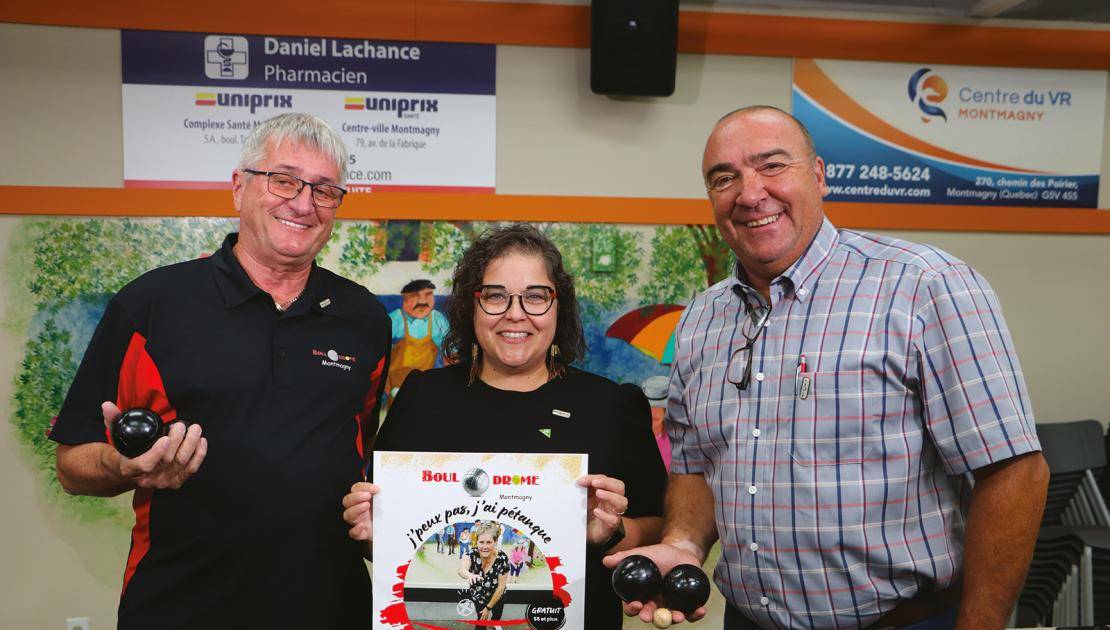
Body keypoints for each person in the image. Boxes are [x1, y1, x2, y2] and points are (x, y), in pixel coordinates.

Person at [606, 106, 1049, 629]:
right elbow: (696, 467)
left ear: (818, 175)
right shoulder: (704, 317)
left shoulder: (925, 286)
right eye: (725, 178)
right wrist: (682, 544)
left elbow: (1015, 471)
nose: (750, 194)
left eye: (772, 165)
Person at [49, 113, 391, 629]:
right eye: (283, 179)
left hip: (329, 605)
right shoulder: (152, 305)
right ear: (239, 188)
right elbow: (72, 463)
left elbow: (361, 453)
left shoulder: (363, 319)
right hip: (181, 605)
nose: (303, 203)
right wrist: (126, 466)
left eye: (324, 190)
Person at [342, 224, 667, 629]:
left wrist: (612, 532)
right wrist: (372, 530)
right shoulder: (422, 398)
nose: (516, 313)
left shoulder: (611, 406)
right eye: (496, 296)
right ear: (470, 306)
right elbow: (387, 538)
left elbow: (657, 530)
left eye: (536, 296)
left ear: (558, 306)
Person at [385, 278, 449, 406]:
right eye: (415, 296)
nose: (422, 301)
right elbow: (378, 354)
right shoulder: (394, 319)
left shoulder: (438, 319)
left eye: (428, 294)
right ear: (405, 299)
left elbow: (449, 354)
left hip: (427, 385)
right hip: (397, 386)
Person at [458, 521, 511, 621]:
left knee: (497, 615)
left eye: (489, 542)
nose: (485, 547)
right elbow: (461, 570)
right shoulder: (471, 554)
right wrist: (470, 576)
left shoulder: (502, 558)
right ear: (476, 542)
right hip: (479, 595)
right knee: (481, 619)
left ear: (495, 542)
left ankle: (495, 624)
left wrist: (488, 608)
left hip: (497, 594)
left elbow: (501, 588)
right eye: (481, 542)